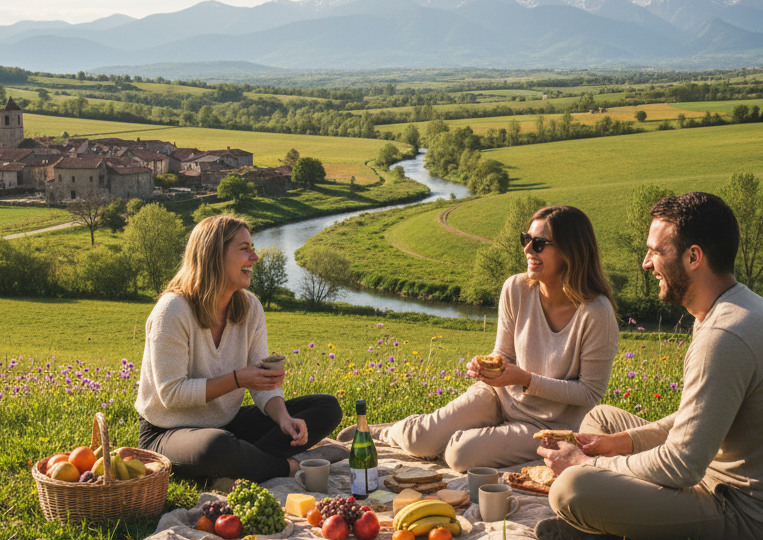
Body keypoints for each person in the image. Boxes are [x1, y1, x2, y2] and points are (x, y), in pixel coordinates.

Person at [537, 192, 763, 540]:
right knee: (601, 421)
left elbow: (682, 464)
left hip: (751, 517)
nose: (645, 263)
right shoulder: (732, 306)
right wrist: (620, 443)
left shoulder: (724, 336)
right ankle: (619, 514)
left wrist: (591, 464)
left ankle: (613, 526)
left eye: (656, 251)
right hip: (716, 476)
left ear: (693, 257)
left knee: (570, 489)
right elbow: (696, 419)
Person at [342, 205, 619, 472]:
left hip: (546, 425)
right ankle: (392, 431)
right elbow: (504, 354)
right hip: (499, 397)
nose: (526, 250)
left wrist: (525, 380)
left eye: (538, 244)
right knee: (419, 441)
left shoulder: (596, 313)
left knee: (458, 455)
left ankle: (436, 434)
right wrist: (489, 368)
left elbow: (589, 392)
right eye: (526, 239)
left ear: (570, 252)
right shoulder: (516, 288)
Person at [136, 215, 342, 484]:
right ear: (213, 255)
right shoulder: (173, 310)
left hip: (225, 424)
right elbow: (171, 394)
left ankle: (239, 465)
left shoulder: (250, 307)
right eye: (244, 249)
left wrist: (283, 418)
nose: (254, 257)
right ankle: (285, 467)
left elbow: (261, 382)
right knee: (216, 446)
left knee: (326, 407)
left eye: (252, 247)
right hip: (166, 432)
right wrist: (237, 379)